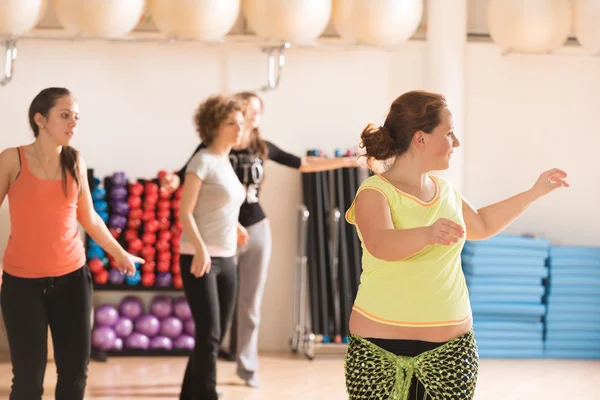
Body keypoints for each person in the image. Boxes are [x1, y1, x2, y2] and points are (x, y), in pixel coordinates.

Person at [343, 90, 568, 400]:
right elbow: (380, 243)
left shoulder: (445, 191)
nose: (456, 142)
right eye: (449, 133)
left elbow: (482, 225)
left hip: (451, 351)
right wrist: (427, 234)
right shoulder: (375, 191)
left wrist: (535, 192)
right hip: (378, 349)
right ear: (421, 139)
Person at [163, 91, 358, 388]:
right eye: (247, 112)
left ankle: (245, 368)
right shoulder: (214, 151)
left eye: (256, 114)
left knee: (248, 304)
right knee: (212, 327)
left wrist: (343, 163)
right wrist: (171, 182)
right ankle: (205, 383)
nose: (252, 118)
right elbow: (186, 176)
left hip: (251, 228)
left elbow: (301, 162)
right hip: (217, 236)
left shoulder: (259, 148)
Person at [0, 87, 143, 400]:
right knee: (27, 380)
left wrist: (119, 253)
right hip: (21, 284)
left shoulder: (75, 160)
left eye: (76, 117)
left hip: (72, 280)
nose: (73, 123)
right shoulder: (12, 159)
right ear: (40, 119)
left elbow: (89, 217)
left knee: (75, 376)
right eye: (64, 115)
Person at [177, 94, 248, 400]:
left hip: (228, 258)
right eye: (231, 122)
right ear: (213, 126)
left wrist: (236, 226)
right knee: (209, 335)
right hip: (199, 258)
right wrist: (202, 249)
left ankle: (189, 395)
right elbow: (185, 212)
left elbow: (221, 207)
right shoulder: (202, 160)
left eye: (241, 123)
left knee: (213, 337)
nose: (239, 128)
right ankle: (208, 395)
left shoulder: (226, 163)